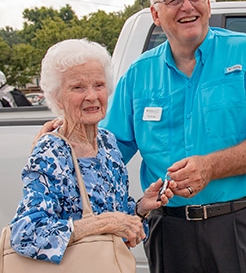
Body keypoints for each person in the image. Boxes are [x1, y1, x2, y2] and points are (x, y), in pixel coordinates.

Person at [99, 0, 246, 273]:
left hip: (241, 226)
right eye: (174, 0)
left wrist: (210, 167)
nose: (187, 6)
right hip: (169, 232)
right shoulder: (138, 75)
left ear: (207, 4)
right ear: (155, 14)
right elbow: (108, 151)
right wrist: (67, 137)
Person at [9, 39, 174, 265]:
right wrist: (101, 224)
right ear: (57, 97)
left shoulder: (107, 143)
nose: (92, 96)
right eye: (78, 87)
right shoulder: (51, 152)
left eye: (99, 85)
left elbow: (117, 221)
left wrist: (141, 208)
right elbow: (25, 234)